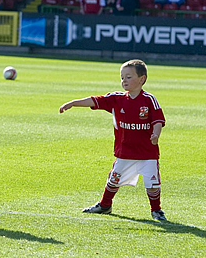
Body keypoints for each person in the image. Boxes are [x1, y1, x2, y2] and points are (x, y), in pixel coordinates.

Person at [59, 59, 167, 221]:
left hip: (147, 152)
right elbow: (95, 100)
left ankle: (156, 210)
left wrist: (156, 134)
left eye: (129, 77)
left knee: (152, 183)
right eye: (122, 77)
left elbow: (158, 119)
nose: (124, 81)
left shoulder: (149, 99)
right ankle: (105, 205)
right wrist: (73, 103)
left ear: (141, 79)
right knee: (114, 179)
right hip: (125, 151)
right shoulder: (117, 98)